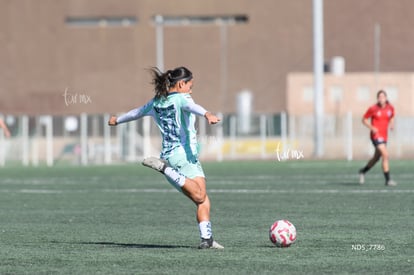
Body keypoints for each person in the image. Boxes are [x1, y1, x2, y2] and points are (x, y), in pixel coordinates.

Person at [108, 66, 224, 249]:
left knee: (203, 199)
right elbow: (192, 106)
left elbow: (136, 113)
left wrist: (117, 120)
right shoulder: (182, 98)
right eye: (190, 85)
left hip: (172, 154)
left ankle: (207, 239)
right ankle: (165, 169)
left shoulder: (156, 102)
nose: (191, 89)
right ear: (180, 84)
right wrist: (207, 114)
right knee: (200, 196)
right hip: (183, 155)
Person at [359, 90, 396, 186]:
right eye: (379, 97)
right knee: (385, 155)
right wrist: (372, 128)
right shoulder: (373, 108)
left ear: (386, 98)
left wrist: (391, 124)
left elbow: (392, 116)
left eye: (383, 96)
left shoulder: (390, 108)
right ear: (377, 98)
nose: (381, 98)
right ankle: (388, 180)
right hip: (376, 136)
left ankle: (363, 171)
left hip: (384, 136)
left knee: (376, 158)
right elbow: (364, 119)